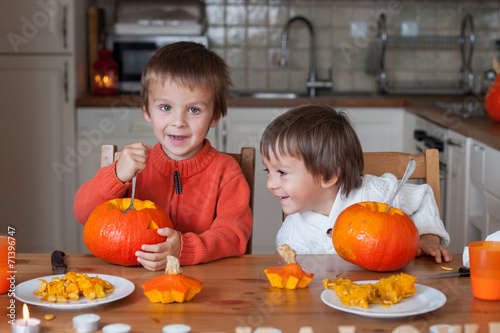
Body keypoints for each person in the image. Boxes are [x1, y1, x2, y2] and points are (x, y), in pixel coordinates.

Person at [74, 42, 252, 270]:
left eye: (194, 110)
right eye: (166, 108)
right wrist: (116, 176)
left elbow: (234, 236)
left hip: (207, 284)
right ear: (147, 111)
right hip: (135, 280)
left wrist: (184, 249)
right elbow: (83, 213)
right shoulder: (131, 167)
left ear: (215, 116)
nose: (178, 122)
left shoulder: (226, 172)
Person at [260, 104, 451, 264]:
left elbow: (422, 196)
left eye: (282, 173)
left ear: (327, 176)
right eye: (267, 170)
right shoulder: (290, 236)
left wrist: (427, 237)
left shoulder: (375, 194)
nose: (270, 184)